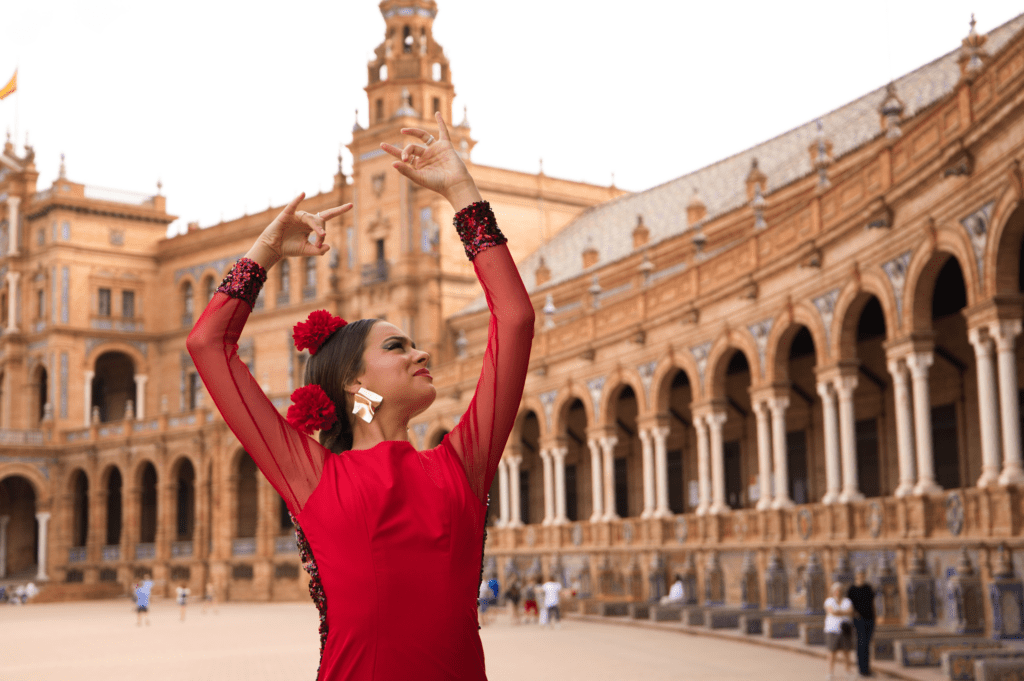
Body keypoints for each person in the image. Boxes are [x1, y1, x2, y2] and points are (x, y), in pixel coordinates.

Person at [187, 112, 534, 681]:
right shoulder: (312, 473)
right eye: (399, 346)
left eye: (416, 343)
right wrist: (265, 253)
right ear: (353, 382)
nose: (421, 354)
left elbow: (514, 319)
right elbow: (208, 344)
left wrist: (460, 191)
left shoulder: (460, 464)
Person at [848, 569, 876, 677]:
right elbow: (849, 605)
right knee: (861, 643)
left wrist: (875, 617)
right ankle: (861, 669)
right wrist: (854, 615)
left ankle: (867, 668)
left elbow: (872, 603)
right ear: (856, 575)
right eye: (859, 574)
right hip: (859, 620)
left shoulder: (868, 588)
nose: (861, 576)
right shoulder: (852, 589)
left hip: (870, 618)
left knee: (867, 644)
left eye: (863, 574)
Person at [824, 581, 854, 680]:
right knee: (832, 652)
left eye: (840, 590)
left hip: (845, 629)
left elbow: (850, 611)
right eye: (836, 590)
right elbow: (832, 612)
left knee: (846, 652)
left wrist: (839, 612)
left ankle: (848, 672)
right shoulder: (829, 601)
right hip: (832, 630)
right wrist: (844, 612)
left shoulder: (847, 601)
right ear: (833, 591)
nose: (838, 592)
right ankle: (830, 672)